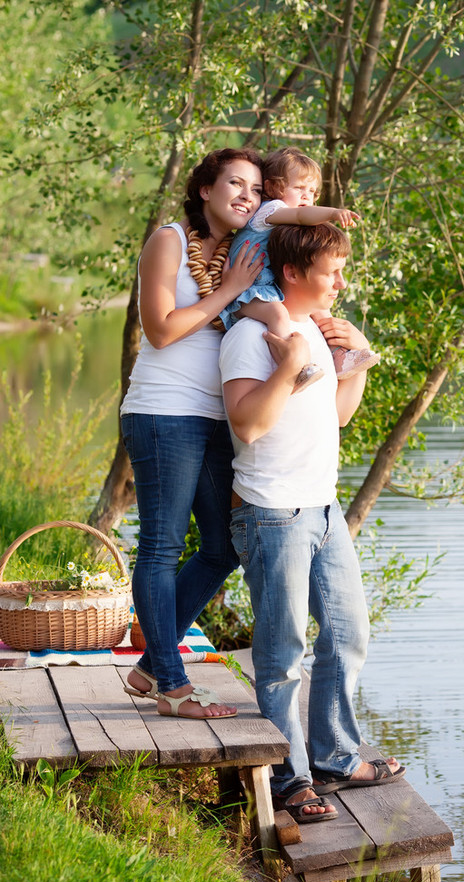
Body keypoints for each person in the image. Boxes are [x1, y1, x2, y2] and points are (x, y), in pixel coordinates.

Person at [220, 221, 404, 824]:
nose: (341, 283)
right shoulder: (251, 336)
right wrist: (291, 362)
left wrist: (358, 360)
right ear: (293, 273)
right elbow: (247, 425)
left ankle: (334, 756)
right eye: (331, 272)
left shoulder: (316, 334)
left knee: (349, 634)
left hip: (323, 509)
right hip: (273, 511)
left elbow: (339, 415)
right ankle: (287, 775)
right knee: (280, 654)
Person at [120, 148, 265, 720]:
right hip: (163, 413)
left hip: (214, 419)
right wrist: (228, 291)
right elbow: (159, 331)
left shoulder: (247, 254)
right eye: (235, 182)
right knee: (161, 544)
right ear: (205, 188)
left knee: (224, 545)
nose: (245, 196)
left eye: (254, 189)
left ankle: (152, 664)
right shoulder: (170, 241)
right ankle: (173, 688)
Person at [218, 146, 380, 389]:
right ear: (273, 188)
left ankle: (339, 355)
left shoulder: (284, 220)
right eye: (300, 189)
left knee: (322, 312)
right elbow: (304, 217)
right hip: (247, 291)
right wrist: (334, 213)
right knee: (278, 315)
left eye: (313, 192)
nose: (307, 197)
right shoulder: (270, 210)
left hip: (267, 286)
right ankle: (291, 368)